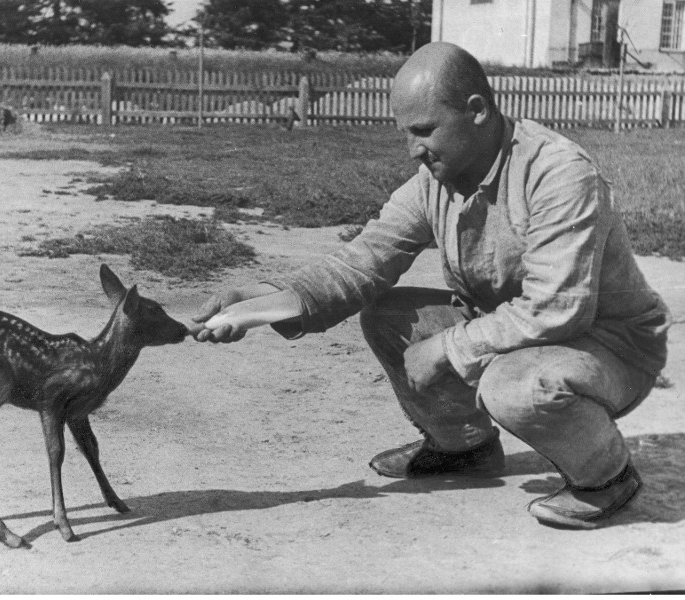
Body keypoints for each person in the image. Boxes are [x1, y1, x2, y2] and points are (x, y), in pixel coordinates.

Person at [191, 42, 670, 529]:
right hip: (517, 334)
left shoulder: (558, 173)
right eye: (405, 134)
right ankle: (463, 448)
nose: (412, 150)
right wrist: (261, 301)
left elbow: (555, 310)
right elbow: (361, 263)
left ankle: (606, 477)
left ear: (477, 111)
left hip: (610, 346)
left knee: (512, 385)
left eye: (423, 131)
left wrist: (447, 347)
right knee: (389, 315)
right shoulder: (435, 180)